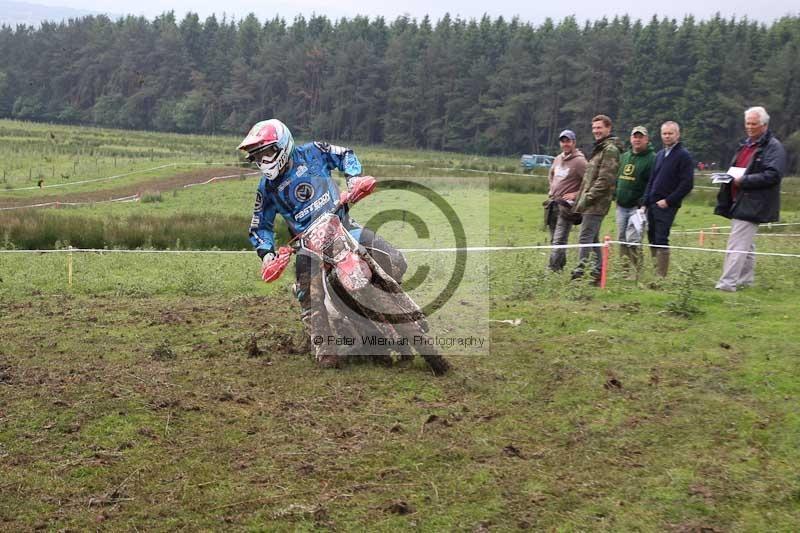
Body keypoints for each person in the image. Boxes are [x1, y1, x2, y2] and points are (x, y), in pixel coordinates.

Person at [238, 119, 407, 368]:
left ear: (283, 145)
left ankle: (397, 309)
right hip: (308, 246)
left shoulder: (314, 152)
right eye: (258, 157)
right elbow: (260, 226)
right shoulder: (267, 188)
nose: (264, 161)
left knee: (395, 260)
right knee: (308, 295)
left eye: (267, 153)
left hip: (344, 226)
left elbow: (345, 155)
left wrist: (354, 180)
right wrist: (268, 256)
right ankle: (324, 347)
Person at [714, 106, 786, 292]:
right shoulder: (745, 145)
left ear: (764, 125)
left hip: (754, 202)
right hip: (738, 198)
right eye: (748, 123)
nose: (750, 127)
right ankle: (746, 281)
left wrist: (743, 180)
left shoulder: (773, 147)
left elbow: (773, 175)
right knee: (746, 243)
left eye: (754, 124)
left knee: (736, 244)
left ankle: (726, 284)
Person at [571, 114, 623, 284]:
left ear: (608, 128)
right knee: (592, 238)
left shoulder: (610, 150)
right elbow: (588, 178)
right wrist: (580, 199)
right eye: (594, 128)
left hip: (597, 202)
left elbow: (605, 180)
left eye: (599, 128)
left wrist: (587, 198)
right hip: (590, 201)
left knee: (585, 237)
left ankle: (580, 273)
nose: (596, 131)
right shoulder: (600, 148)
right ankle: (597, 272)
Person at [642, 121, 694, 277]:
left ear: (677, 135)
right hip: (652, 203)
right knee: (652, 236)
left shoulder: (684, 156)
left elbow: (687, 184)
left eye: (670, 133)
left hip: (666, 205)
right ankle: (655, 270)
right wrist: (645, 201)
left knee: (661, 237)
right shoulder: (659, 155)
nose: (667, 136)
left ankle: (661, 276)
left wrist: (669, 201)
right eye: (664, 133)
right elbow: (652, 179)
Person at [615, 126, 655, 277]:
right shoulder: (624, 156)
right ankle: (623, 272)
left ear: (646, 139)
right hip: (621, 205)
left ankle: (637, 272)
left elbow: (652, 183)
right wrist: (615, 194)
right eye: (635, 136)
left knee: (633, 239)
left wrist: (644, 203)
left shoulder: (652, 159)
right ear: (631, 138)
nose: (637, 139)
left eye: (640, 137)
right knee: (621, 238)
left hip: (637, 208)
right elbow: (618, 177)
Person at [544, 129, 586, 272]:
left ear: (574, 142)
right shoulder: (557, 158)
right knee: (553, 239)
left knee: (559, 239)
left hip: (566, 207)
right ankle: (559, 267)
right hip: (553, 203)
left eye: (568, 141)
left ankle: (552, 269)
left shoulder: (580, 161)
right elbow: (551, 174)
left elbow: (589, 182)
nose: (565, 143)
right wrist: (552, 188)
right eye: (563, 141)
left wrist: (576, 194)